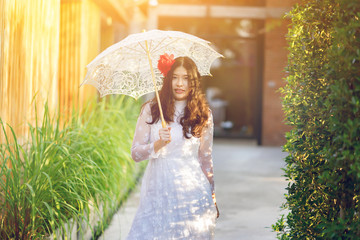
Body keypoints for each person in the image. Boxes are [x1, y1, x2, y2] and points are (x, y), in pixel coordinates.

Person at [126, 54, 219, 240]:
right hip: (158, 188)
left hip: (193, 189)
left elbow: (205, 159)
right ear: (168, 80)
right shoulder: (151, 110)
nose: (180, 84)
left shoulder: (203, 114)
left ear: (193, 82)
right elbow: (135, 153)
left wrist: (212, 196)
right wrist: (158, 144)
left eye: (186, 78)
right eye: (175, 77)